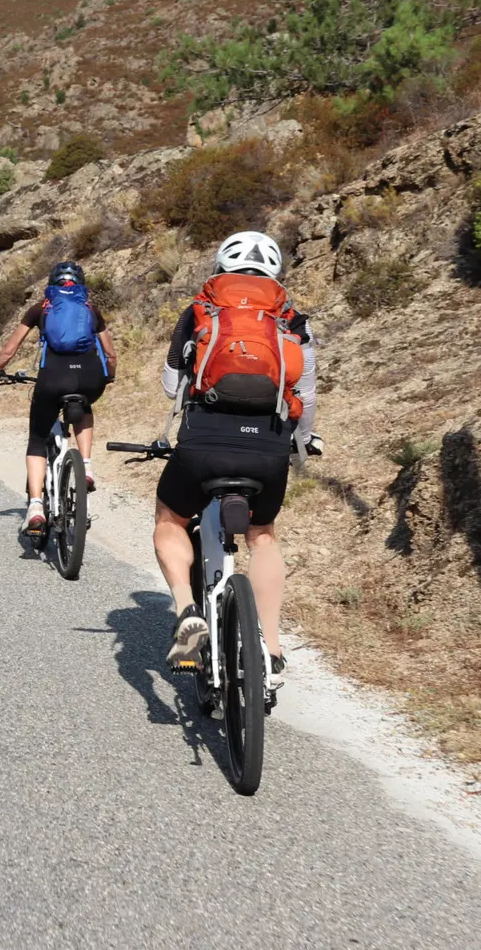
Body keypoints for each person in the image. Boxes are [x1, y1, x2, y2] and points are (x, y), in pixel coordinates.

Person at [155, 231, 316, 696]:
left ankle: (188, 612)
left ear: (220, 264)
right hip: (267, 444)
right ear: (276, 271)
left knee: (170, 519)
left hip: (203, 439)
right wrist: (304, 440)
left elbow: (171, 385)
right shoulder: (290, 318)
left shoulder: (201, 310)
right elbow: (304, 391)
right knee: (262, 536)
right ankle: (270, 645)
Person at [0, 260, 117, 537]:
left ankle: (35, 506)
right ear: (81, 283)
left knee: (37, 438)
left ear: (51, 284)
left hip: (53, 379)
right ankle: (86, 464)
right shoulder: (90, 309)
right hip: (90, 378)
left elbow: (10, 348)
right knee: (85, 405)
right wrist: (109, 376)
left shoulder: (40, 309)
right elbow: (110, 354)